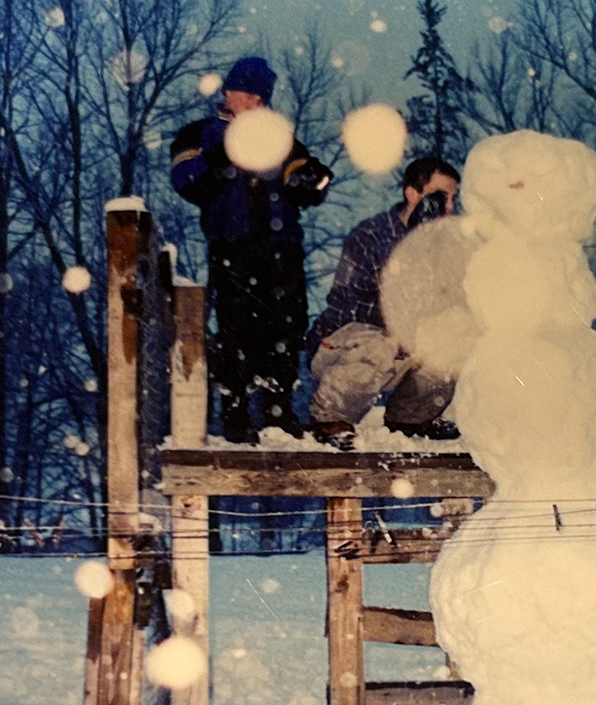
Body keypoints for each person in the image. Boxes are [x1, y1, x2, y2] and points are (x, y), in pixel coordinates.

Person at [170, 55, 333, 443]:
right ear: (228, 91)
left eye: (262, 97)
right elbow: (187, 182)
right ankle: (236, 412)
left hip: (282, 247)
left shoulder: (281, 137)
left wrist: (313, 178)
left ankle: (279, 410)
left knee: (288, 325)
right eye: (247, 93)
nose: (255, 103)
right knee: (235, 328)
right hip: (232, 246)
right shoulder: (200, 133)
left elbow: (305, 182)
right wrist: (224, 154)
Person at [302, 156, 462, 451]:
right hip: (341, 343)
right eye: (441, 196)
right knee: (381, 344)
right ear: (412, 193)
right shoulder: (371, 236)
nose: (449, 207)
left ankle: (412, 418)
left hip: (404, 346)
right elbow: (347, 303)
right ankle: (329, 418)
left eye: (453, 198)